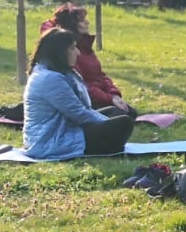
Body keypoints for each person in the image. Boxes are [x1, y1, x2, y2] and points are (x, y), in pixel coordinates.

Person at [23, 27, 136, 160]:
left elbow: (83, 108)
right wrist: (107, 123)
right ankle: (106, 147)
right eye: (72, 48)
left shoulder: (58, 71)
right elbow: (79, 114)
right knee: (124, 123)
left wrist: (106, 119)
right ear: (59, 52)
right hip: (52, 142)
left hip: (66, 129)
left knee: (120, 112)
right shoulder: (50, 78)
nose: (78, 53)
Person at [40, 4, 134, 114]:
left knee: (130, 112)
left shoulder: (85, 45)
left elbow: (100, 75)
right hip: (88, 99)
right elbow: (80, 85)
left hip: (101, 95)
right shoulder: (68, 52)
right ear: (73, 25)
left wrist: (114, 94)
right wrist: (108, 98)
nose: (87, 23)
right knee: (120, 114)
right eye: (82, 21)